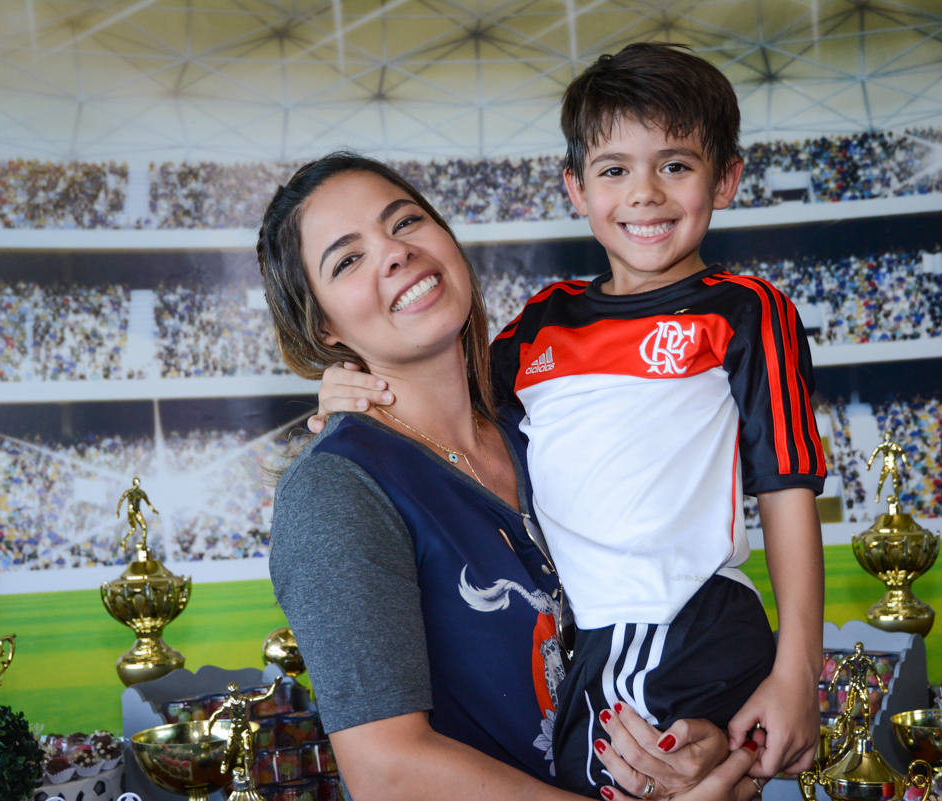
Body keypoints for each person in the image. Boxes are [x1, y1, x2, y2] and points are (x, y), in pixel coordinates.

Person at [310, 43, 827, 796]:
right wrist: (348, 388)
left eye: (675, 165)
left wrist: (798, 669)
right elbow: (445, 401)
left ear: (726, 178)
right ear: (576, 189)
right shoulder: (541, 326)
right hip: (600, 634)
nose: (645, 193)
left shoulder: (747, 310)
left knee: (611, 777)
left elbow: (787, 489)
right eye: (614, 170)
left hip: (671, 615)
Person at [261, 152, 768, 801]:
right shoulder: (337, 487)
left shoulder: (546, 424)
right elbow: (386, 769)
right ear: (324, 327)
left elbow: (652, 613)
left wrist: (697, 745)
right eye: (348, 259)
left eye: (405, 221)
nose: (394, 253)